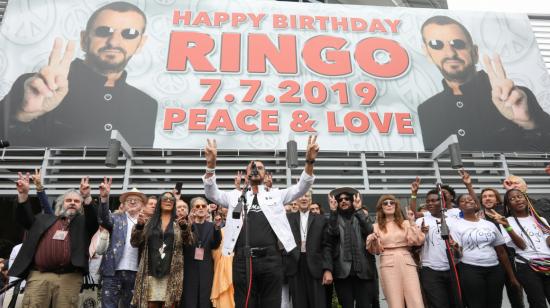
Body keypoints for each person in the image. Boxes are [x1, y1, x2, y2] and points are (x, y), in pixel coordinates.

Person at [0, 1, 158, 147]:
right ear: (84, 39)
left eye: (129, 33)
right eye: (104, 31)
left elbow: (140, 170)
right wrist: (22, 115)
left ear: (140, 44)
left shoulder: (146, 105)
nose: (114, 42)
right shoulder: (38, 86)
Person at [202, 136, 319, 308]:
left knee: (271, 303)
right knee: (245, 303)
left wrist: (309, 160)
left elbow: (302, 187)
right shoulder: (235, 196)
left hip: (271, 259)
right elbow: (212, 193)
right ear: (247, 173)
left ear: (265, 174)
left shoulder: (276, 194)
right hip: (242, 260)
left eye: (260, 167)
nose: (256, 169)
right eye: (252, 167)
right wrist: (210, 165)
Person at [418, 15, 550, 151]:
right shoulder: (427, 110)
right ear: (427, 53)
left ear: (474, 53)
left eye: (458, 44)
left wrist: (529, 124)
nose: (450, 53)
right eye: (436, 45)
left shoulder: (516, 97)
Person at [8, 174, 98, 307]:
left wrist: (86, 197)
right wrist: (23, 195)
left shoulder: (84, 223)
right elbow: (23, 219)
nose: (72, 202)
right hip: (39, 275)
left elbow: (94, 218)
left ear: (81, 206)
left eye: (77, 201)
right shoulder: (43, 219)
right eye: (69, 200)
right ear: (62, 204)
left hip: (69, 277)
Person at [450, 193, 520, 308]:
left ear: (475, 203)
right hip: (470, 269)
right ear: (459, 207)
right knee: (477, 304)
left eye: (470, 199)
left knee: (495, 303)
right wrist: (456, 250)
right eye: (463, 201)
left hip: (495, 270)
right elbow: (458, 255)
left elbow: (501, 252)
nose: (467, 201)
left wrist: (511, 276)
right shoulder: (456, 226)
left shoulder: (489, 224)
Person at [487, 189, 550, 308]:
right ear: (508, 205)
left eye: (519, 196)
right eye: (512, 198)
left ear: (526, 199)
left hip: (547, 263)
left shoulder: (540, 219)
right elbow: (522, 245)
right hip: (527, 266)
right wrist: (507, 227)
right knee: (538, 303)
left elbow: (548, 242)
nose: (517, 199)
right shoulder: (507, 222)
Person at [131, 191, 193, 308]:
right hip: (150, 272)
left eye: (171, 199)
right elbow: (134, 242)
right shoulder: (148, 222)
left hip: (172, 273)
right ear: (160, 202)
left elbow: (189, 242)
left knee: (169, 305)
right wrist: (139, 226)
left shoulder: (179, 223)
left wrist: (185, 227)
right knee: (151, 305)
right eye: (165, 198)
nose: (168, 200)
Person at [367, 195, 424, 308]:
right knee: (394, 301)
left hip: (407, 260)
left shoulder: (406, 223)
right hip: (388, 262)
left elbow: (418, 241)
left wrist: (412, 222)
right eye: (385, 203)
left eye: (392, 203)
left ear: (396, 206)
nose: (389, 205)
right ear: (381, 207)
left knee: (415, 299)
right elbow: (375, 250)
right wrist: (373, 239)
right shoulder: (375, 227)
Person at [97, 182, 146, 308]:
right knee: (108, 305)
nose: (133, 202)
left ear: (142, 204)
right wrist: (104, 199)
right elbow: (103, 218)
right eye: (129, 200)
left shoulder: (148, 223)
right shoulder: (116, 218)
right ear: (123, 204)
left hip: (137, 272)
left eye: (136, 200)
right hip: (113, 271)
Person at [327, 187, 377, 308]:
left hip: (363, 271)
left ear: (352, 201)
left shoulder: (360, 216)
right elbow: (332, 233)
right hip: (342, 273)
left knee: (364, 305)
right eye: (340, 200)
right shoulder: (334, 218)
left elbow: (369, 230)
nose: (343, 201)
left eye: (347, 199)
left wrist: (359, 209)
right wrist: (333, 211)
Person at [286, 190, 333, 308]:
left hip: (316, 267)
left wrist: (327, 269)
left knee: (318, 304)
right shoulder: (288, 218)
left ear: (310, 200)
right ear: (296, 200)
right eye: (301, 196)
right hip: (295, 266)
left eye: (306, 196)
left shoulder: (321, 219)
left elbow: (326, 245)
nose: (303, 198)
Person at [480, 187, 525, 308]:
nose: (487, 198)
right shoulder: (478, 215)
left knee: (516, 294)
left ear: (497, 199)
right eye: (484, 196)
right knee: (494, 297)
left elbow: (521, 203)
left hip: (511, 257)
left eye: (491, 196)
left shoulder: (506, 211)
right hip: (493, 260)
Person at [415, 189, 461, 308]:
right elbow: (415, 247)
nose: (430, 203)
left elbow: (460, 250)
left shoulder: (455, 221)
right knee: (438, 304)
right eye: (428, 201)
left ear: (443, 203)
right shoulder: (420, 221)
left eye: (433, 201)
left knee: (456, 303)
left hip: (452, 268)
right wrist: (421, 234)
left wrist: (455, 246)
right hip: (430, 270)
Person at [181, 197, 222, 308]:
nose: (201, 208)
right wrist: (188, 226)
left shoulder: (212, 226)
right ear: (192, 209)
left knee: (205, 299)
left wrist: (218, 227)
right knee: (189, 299)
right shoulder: (187, 225)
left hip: (206, 267)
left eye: (203, 206)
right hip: (189, 267)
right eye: (197, 206)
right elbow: (183, 243)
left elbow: (215, 244)